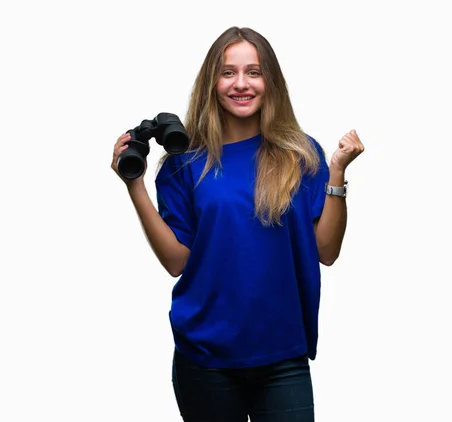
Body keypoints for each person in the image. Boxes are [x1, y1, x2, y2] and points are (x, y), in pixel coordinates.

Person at [111, 26, 364, 422]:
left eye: (254, 72)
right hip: (206, 356)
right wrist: (135, 186)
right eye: (228, 72)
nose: (241, 84)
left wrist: (336, 173)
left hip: (283, 352)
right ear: (212, 82)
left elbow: (327, 252)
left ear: (271, 82)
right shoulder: (185, 163)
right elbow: (177, 261)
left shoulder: (302, 154)